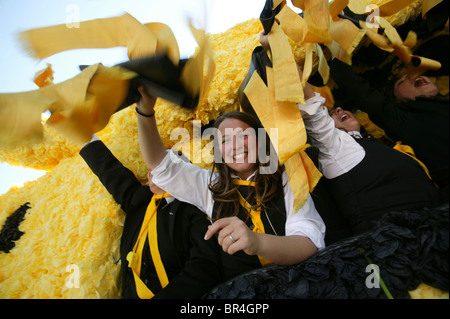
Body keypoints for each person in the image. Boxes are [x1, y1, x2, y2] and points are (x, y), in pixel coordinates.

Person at [259, 33, 442, 235]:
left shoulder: (390, 147)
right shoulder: (332, 148)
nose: (338, 110)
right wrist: (276, 48)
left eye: (339, 109)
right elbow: (307, 97)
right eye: (330, 114)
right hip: (398, 246)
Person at [136, 86, 326, 279]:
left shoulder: (287, 176)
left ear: (261, 141)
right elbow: (160, 164)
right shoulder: (209, 187)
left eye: (244, 136)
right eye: (225, 141)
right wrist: (145, 112)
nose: (236, 145)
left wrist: (256, 243)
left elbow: (308, 243)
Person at [80, 135, 223, 299]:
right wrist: (85, 135)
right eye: (152, 168)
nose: (153, 172)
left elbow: (204, 267)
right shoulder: (139, 199)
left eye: (163, 168)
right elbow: (110, 171)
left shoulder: (194, 211)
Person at [328, 57, 449, 203]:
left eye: (414, 75)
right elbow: (362, 93)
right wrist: (331, 57)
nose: (414, 78)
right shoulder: (404, 119)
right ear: (395, 99)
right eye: (402, 81)